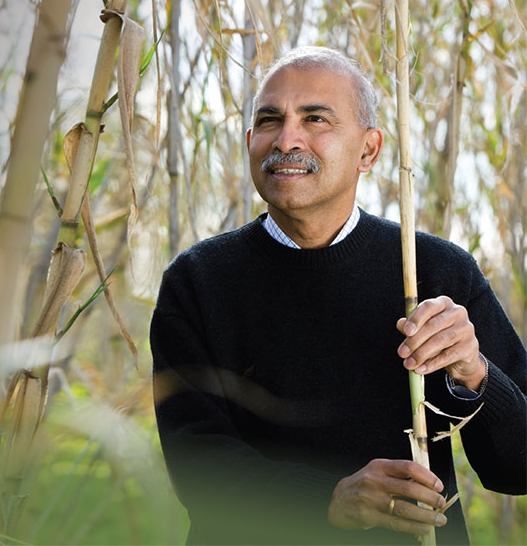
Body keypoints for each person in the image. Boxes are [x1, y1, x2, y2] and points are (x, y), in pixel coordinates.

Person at [151, 46, 526, 545]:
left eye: (315, 119)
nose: (287, 139)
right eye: (269, 120)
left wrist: (476, 372)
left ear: (368, 150)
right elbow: (199, 467)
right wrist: (329, 500)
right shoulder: (197, 281)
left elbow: (517, 470)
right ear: (249, 143)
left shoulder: (436, 271)